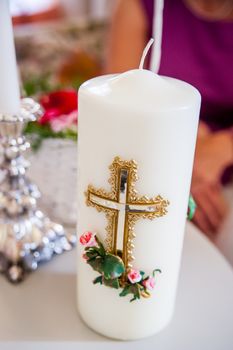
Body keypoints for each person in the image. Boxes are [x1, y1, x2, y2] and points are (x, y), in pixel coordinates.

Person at [105, 0, 233, 238]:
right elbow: (120, 104)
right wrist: (180, 160)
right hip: (158, 150)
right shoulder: (141, 5)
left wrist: (222, 147)